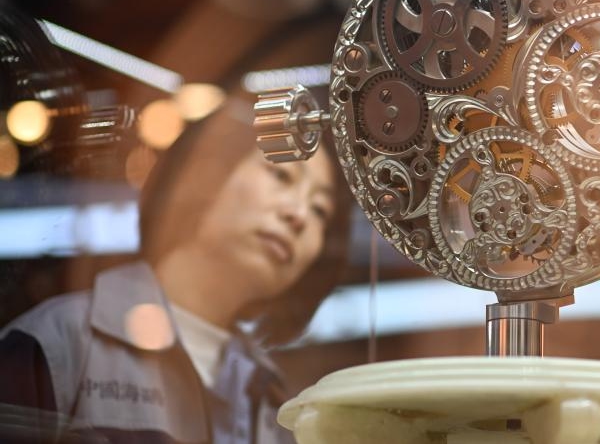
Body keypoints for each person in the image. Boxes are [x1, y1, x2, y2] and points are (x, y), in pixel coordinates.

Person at [0, 99, 351, 443]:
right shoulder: (57, 344)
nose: (299, 215)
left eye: (320, 210)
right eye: (281, 175)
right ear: (204, 173)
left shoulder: (276, 401)